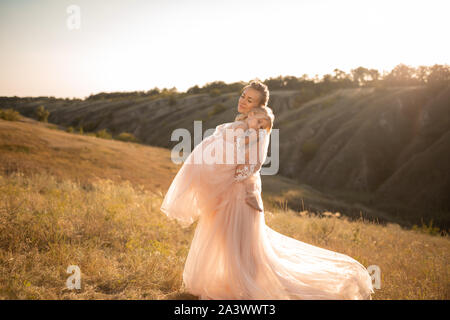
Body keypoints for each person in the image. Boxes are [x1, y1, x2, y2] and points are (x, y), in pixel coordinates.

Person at [160, 80, 374, 300]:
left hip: (241, 196)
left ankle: (249, 286)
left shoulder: (260, 131)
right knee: (223, 242)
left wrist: (226, 177)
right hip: (224, 194)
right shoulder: (240, 124)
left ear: (259, 106)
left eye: (250, 99)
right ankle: (230, 281)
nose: (243, 100)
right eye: (243, 95)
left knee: (243, 247)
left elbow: (253, 166)